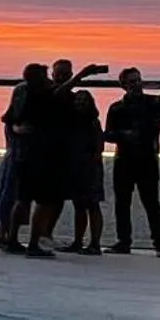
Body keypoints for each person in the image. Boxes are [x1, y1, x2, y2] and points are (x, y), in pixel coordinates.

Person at [19, 59, 105, 257]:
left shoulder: (66, 100)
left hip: (62, 159)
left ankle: (45, 239)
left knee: (58, 201)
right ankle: (34, 243)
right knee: (44, 200)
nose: (54, 79)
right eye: (52, 75)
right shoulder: (42, 96)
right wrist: (81, 75)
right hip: (47, 157)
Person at [103, 68, 160, 256]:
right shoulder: (116, 108)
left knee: (151, 203)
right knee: (122, 204)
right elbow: (108, 134)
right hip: (123, 161)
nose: (136, 85)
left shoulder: (155, 102)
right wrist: (125, 135)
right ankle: (124, 242)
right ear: (123, 86)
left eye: (137, 80)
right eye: (131, 82)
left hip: (147, 160)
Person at [0, 63, 46, 250]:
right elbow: (13, 125)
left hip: (20, 155)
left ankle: (5, 234)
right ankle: (5, 234)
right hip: (19, 156)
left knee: (16, 196)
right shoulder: (23, 97)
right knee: (14, 195)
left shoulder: (32, 96)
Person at [65, 89, 105, 253]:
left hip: (90, 167)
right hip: (75, 166)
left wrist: (92, 163)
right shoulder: (71, 122)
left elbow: (99, 147)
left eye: (84, 100)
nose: (80, 102)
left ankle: (95, 243)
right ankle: (77, 241)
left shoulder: (93, 122)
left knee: (92, 204)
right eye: (78, 100)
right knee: (78, 205)